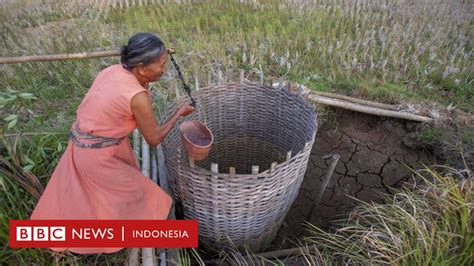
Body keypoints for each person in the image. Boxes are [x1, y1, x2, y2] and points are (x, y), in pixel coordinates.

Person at [30, 32, 195, 254]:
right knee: (148, 198)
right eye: (161, 65)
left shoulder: (112, 71)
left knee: (90, 199)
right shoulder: (137, 96)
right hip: (98, 158)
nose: (164, 70)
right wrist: (179, 113)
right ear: (141, 67)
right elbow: (153, 139)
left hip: (82, 146)